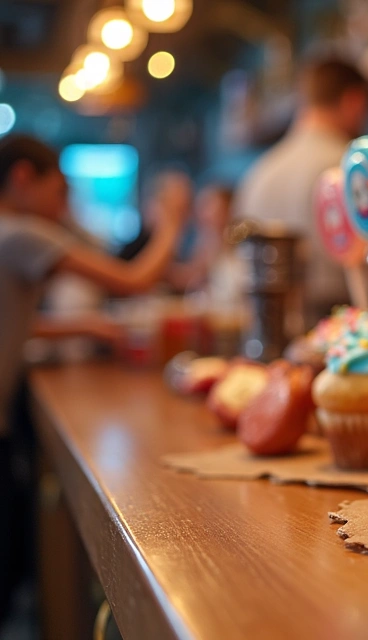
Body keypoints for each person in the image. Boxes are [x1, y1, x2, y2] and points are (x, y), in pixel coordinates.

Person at [0, 134, 188, 626]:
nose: (63, 206)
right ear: (22, 178)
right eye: (58, 191)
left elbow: (16, 320)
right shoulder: (20, 233)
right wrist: (171, 220)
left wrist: (88, 326)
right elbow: (134, 280)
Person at [234, 57, 368, 321]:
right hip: (342, 326)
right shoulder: (350, 167)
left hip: (267, 327)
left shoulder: (257, 174)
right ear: (354, 102)